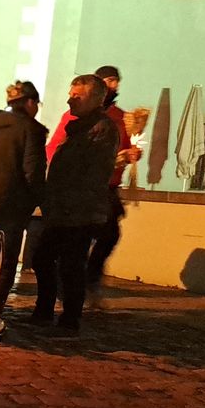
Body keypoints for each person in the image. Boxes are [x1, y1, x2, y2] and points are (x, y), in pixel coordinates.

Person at [30, 75, 120, 335]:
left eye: (77, 96)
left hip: (79, 212)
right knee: (46, 258)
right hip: (63, 209)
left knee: (69, 263)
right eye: (71, 95)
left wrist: (65, 199)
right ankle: (47, 311)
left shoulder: (101, 129)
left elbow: (92, 173)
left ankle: (68, 318)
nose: (70, 100)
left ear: (96, 99)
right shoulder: (79, 127)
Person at [0, 80, 47, 315]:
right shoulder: (31, 129)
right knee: (5, 262)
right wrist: (41, 201)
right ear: (30, 102)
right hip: (11, 207)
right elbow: (33, 172)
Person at [83, 65, 141, 305]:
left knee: (108, 234)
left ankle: (90, 279)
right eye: (109, 80)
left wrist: (131, 154)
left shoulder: (120, 116)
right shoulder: (85, 113)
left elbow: (124, 146)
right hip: (88, 185)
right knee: (85, 235)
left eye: (116, 81)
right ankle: (78, 283)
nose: (114, 85)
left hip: (109, 186)